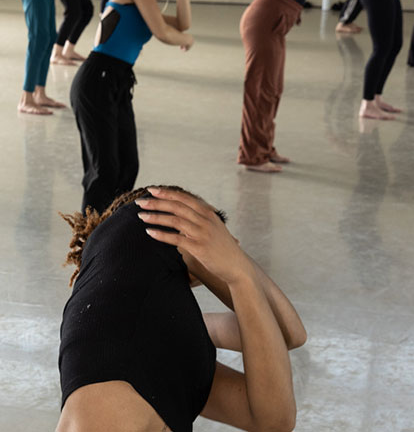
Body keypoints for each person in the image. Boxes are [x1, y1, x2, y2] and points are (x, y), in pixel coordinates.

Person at [58, 185, 306, 432]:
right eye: (215, 222)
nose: (231, 242)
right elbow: (287, 329)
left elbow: (274, 417)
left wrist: (237, 275)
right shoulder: (145, 220)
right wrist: (238, 271)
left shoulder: (154, 338)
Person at [238, 0, 366, 172]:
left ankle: (264, 148)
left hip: (273, 21)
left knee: (272, 90)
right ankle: (252, 156)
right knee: (260, 89)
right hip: (266, 19)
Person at [71, 0, 192, 214]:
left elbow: (183, 23)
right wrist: (186, 41)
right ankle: (87, 243)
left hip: (117, 82)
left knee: (127, 165)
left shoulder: (143, 8)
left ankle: (109, 235)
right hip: (97, 79)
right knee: (104, 171)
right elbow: (165, 33)